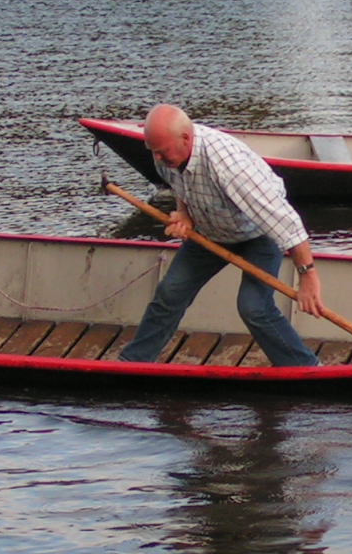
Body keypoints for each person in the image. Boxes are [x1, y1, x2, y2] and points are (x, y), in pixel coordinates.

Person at [118, 104, 324, 367]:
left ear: (186, 139)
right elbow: (180, 184)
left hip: (258, 235)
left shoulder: (228, 165)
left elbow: (286, 222)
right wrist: (184, 214)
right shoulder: (166, 154)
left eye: (162, 152)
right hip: (210, 231)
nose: (157, 159)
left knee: (254, 307)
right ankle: (133, 364)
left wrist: (307, 275)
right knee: (169, 293)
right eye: (153, 152)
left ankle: (304, 368)